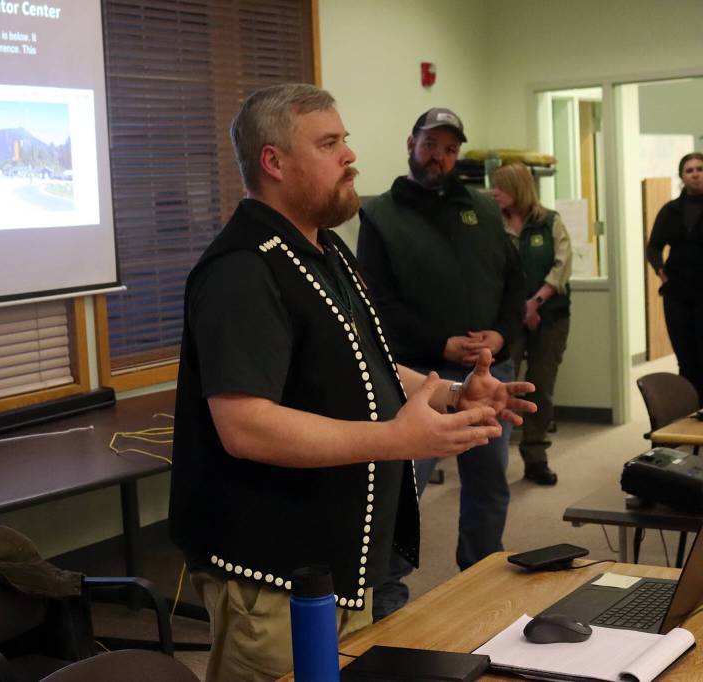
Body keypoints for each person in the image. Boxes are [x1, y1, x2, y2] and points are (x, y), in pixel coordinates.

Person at [169, 85, 535, 682]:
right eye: (329, 143)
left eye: (345, 140)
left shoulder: (326, 248)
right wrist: (394, 440)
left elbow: (372, 362)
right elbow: (244, 427)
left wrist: (449, 392)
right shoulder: (241, 269)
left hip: (342, 556)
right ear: (274, 162)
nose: (350, 156)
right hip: (277, 573)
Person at [356, 108, 525, 619]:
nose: (440, 157)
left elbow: (513, 283)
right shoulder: (380, 215)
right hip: (418, 378)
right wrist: (442, 344)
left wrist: (502, 332)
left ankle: (482, 575)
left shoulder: (482, 208)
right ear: (412, 143)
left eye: (450, 149)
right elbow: (375, 305)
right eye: (432, 145)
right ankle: (387, 595)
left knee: (489, 481)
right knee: (402, 490)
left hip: (488, 374)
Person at [491, 162, 572, 486]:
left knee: (540, 386)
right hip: (508, 322)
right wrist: (519, 310)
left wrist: (534, 303)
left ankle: (536, 458)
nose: (494, 192)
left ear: (518, 188)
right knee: (501, 386)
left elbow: (562, 266)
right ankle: (492, 460)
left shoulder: (550, 221)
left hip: (550, 317)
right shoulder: (493, 226)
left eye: (501, 186)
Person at [646, 152, 703, 398]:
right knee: (685, 355)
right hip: (678, 293)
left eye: (700, 168)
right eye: (689, 170)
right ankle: (690, 409)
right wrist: (661, 273)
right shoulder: (670, 210)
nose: (695, 174)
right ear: (682, 176)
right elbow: (654, 246)